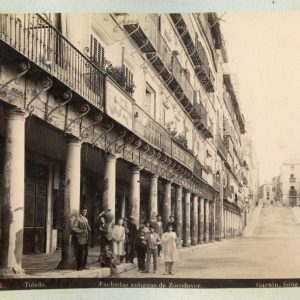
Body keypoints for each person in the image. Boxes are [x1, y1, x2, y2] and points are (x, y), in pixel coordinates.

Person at [71, 206, 91, 271]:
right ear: (81, 211)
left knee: (85, 253)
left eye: (86, 211)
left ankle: (84, 265)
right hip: (80, 238)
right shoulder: (78, 219)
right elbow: (73, 228)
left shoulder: (86, 219)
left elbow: (88, 228)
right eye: (84, 211)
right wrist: (81, 231)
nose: (85, 213)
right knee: (80, 252)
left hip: (86, 238)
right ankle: (79, 267)